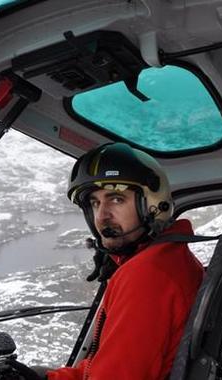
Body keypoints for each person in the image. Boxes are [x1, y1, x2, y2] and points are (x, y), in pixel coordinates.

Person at [44, 142, 204, 380]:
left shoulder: (148, 275)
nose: (101, 216)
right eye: (95, 203)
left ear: (152, 205)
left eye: (116, 199)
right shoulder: (170, 259)